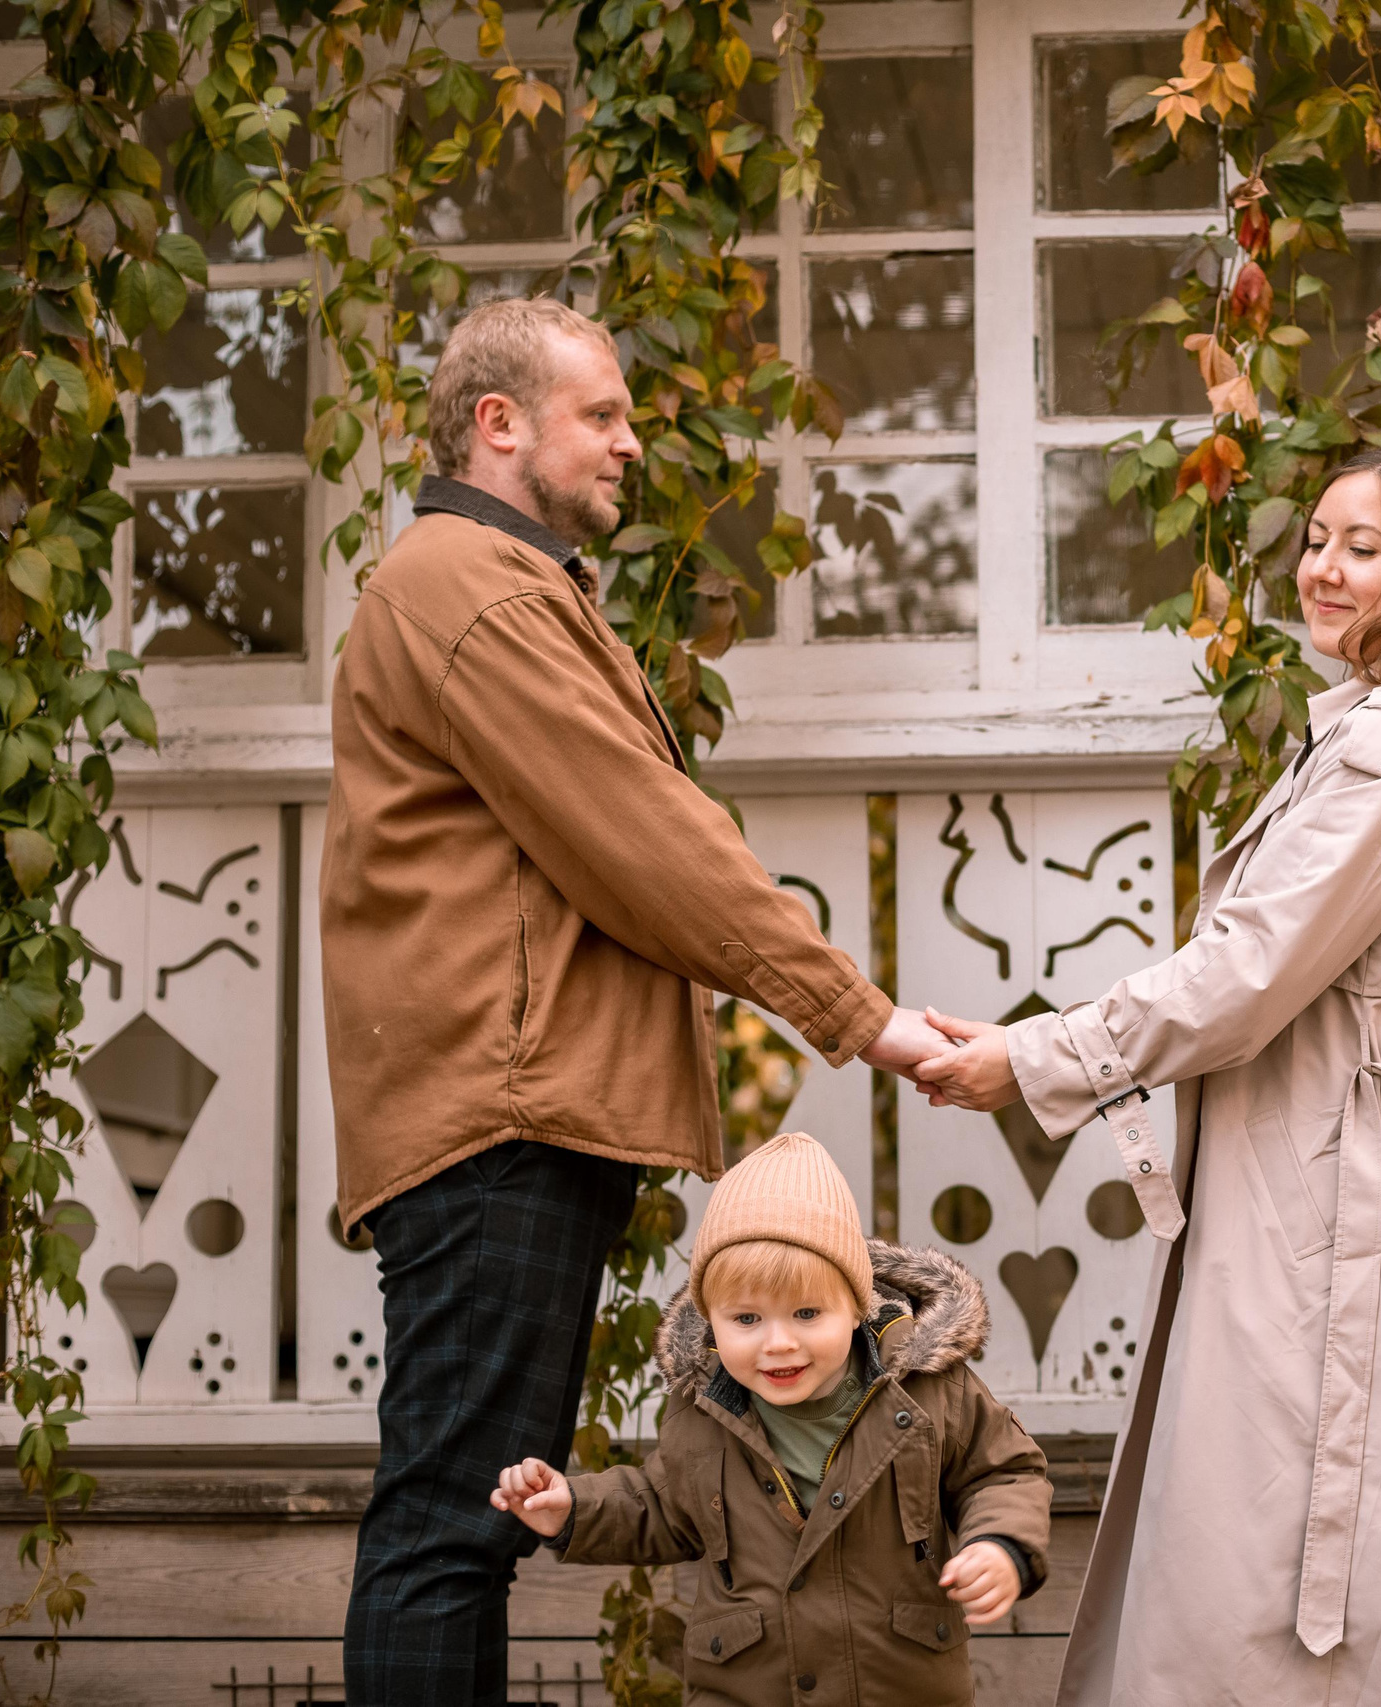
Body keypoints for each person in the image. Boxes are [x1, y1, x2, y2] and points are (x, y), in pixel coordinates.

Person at [321, 297, 949, 1703]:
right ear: (499, 423)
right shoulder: (472, 587)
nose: (629, 442)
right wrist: (866, 1015)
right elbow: (644, 838)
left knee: (457, 1519)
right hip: (501, 1115)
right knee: (448, 1526)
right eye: (600, 414)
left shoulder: (489, 584)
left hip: (507, 1109)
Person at [915, 446, 1381, 1705]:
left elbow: (1243, 976)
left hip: (1359, 1228)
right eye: (1316, 540)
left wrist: (1031, 1058)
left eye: (1363, 547)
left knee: (1307, 1573)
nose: (1322, 570)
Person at [490, 1132, 1053, 1706]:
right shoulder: (705, 1408)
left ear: (858, 1306)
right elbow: (661, 1505)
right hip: (745, 1686)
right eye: (747, 1318)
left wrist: (1000, 1544)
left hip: (899, 1685)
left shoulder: (924, 1390)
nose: (778, 1343)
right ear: (712, 1319)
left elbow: (1002, 1472)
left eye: (807, 1313)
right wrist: (574, 1509)